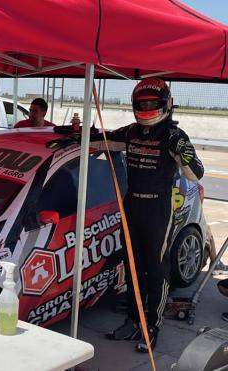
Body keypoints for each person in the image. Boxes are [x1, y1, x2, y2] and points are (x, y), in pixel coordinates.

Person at [95, 78, 204, 353]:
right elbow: (100, 140)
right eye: (141, 104)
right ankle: (133, 319)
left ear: (165, 105)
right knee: (132, 266)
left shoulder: (174, 136)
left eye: (150, 104)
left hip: (158, 209)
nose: (145, 108)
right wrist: (71, 133)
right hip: (132, 206)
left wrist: (185, 154)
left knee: (156, 270)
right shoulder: (131, 132)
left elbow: (197, 173)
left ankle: (152, 326)